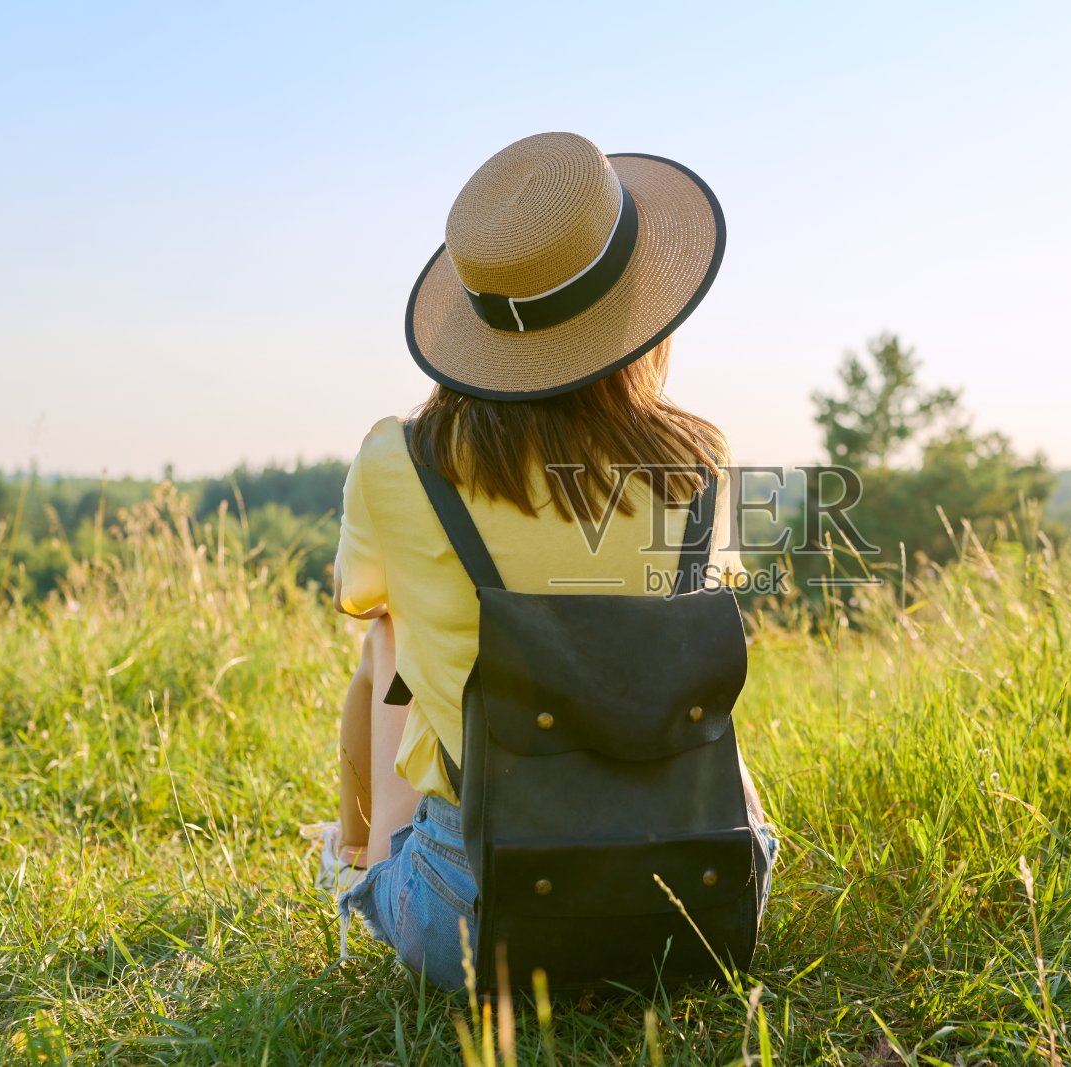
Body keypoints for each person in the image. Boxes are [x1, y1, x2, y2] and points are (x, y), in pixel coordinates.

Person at [309, 131, 776, 986]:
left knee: (388, 636)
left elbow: (363, 601)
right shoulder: (702, 462)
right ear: (641, 310)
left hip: (475, 921)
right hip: (703, 899)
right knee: (673, 633)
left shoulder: (399, 457)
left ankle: (358, 864)